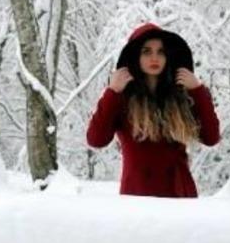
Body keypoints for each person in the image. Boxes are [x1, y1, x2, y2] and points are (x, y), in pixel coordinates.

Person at [86, 22, 220, 198]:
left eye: (161, 52)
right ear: (136, 57)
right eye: (147, 51)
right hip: (137, 198)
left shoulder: (180, 98)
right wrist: (112, 92)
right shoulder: (123, 99)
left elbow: (211, 137)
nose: (154, 58)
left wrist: (197, 90)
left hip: (180, 200)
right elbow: (96, 140)